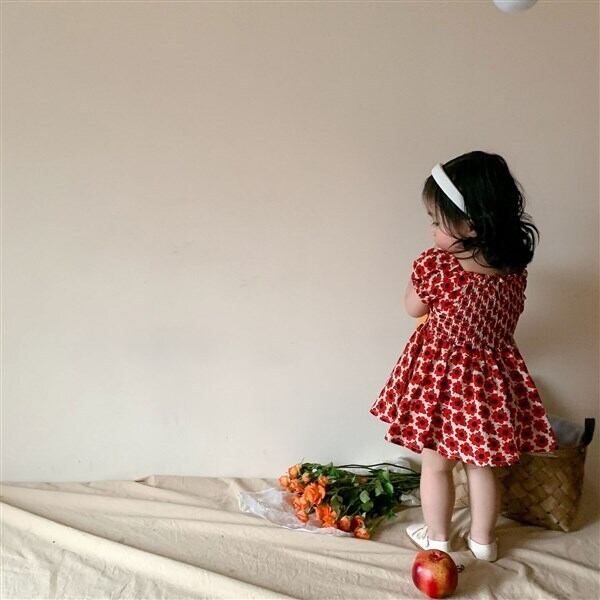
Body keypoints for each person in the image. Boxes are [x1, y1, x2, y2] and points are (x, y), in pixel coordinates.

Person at [369, 151, 558, 562]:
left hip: (443, 382)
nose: (432, 230)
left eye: (437, 222)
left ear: (470, 225)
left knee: (436, 465)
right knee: (481, 466)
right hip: (490, 385)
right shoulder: (512, 272)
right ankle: (483, 542)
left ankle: (438, 539)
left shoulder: (438, 267)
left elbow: (413, 308)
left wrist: (419, 280)